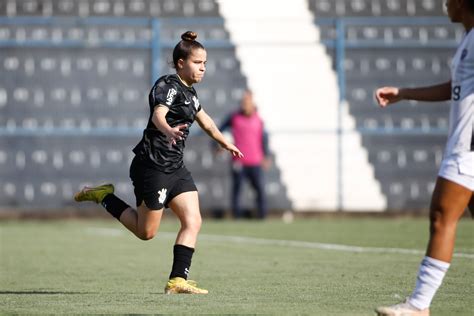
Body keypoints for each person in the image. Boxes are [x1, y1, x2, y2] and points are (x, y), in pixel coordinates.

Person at [74, 31, 243, 294]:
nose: (203, 68)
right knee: (146, 233)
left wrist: (224, 142)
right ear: (180, 63)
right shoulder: (167, 86)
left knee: (193, 221)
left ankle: (177, 280)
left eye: (205, 63)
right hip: (152, 166)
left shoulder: (191, 94)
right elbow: (157, 115)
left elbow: (206, 120)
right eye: (198, 62)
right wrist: (167, 130)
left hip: (175, 166)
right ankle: (103, 196)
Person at [374, 0, 474, 314]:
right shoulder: (468, 38)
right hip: (466, 148)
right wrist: (404, 93)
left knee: (441, 216)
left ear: (461, 3)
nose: (444, 4)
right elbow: (455, 87)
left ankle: (419, 305)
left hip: (466, 149)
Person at [217, 90, 271, 219]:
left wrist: (266, 156)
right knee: (237, 191)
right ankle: (237, 217)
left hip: (255, 161)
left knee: (260, 190)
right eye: (243, 102)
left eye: (247, 101)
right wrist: (219, 145)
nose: (244, 104)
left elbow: (264, 139)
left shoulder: (259, 120)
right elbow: (218, 130)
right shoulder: (234, 117)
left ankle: (262, 216)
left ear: (252, 103)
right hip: (239, 162)